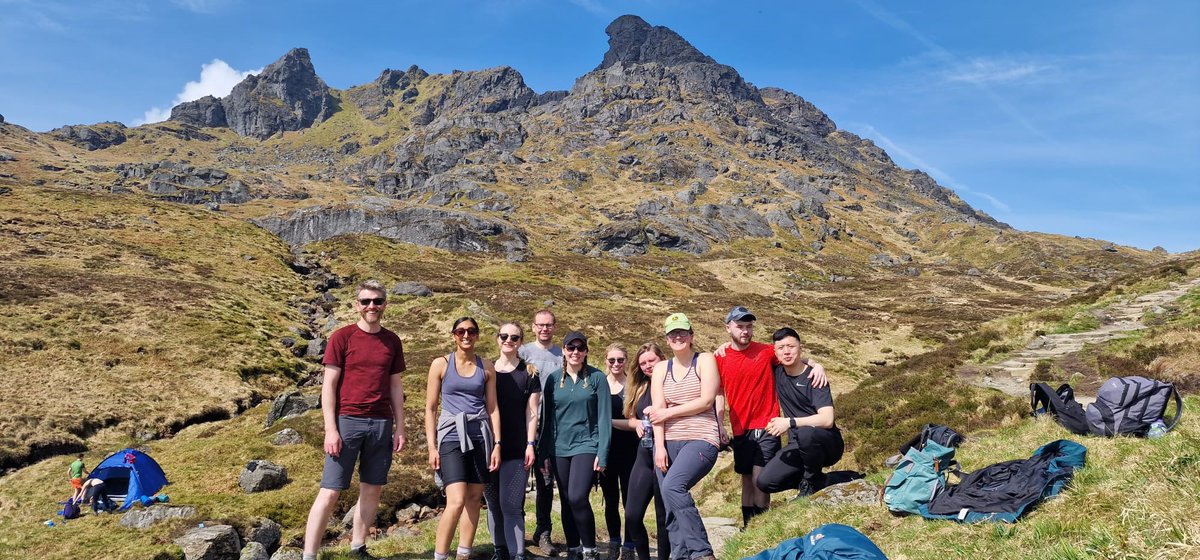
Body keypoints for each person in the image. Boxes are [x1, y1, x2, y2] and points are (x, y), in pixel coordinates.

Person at [302, 280, 407, 560]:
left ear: (385, 304)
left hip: (381, 423)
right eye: (366, 301)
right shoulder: (342, 337)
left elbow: (396, 387)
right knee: (330, 491)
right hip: (347, 421)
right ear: (356, 305)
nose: (371, 306)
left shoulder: (392, 340)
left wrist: (400, 427)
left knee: (372, 488)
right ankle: (309, 555)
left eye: (377, 301)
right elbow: (329, 386)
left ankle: (358, 547)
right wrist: (330, 429)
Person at [715, 305, 826, 527]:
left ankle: (760, 527)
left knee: (759, 480)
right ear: (728, 328)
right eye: (740, 327)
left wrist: (817, 365)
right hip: (740, 429)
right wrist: (719, 424)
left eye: (749, 326)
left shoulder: (766, 352)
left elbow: (792, 357)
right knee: (746, 480)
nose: (745, 331)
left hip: (767, 425)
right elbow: (718, 391)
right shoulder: (720, 357)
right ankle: (748, 528)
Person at [426, 317, 502, 560]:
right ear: (453, 335)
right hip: (450, 436)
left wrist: (497, 444)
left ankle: (464, 555)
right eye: (460, 331)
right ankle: (440, 555)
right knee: (456, 500)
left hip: (480, 436)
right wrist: (432, 446)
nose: (466, 335)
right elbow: (430, 408)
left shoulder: (487, 366)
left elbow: (492, 408)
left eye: (471, 331)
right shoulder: (440, 364)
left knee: (473, 498)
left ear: (478, 335)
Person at [647, 313, 721, 560]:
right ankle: (679, 556)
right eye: (672, 333)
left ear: (691, 336)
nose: (677, 337)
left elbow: (707, 400)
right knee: (670, 504)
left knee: (673, 486)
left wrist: (668, 411)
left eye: (682, 332)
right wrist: (659, 447)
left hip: (701, 437)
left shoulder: (705, 360)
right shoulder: (660, 368)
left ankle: (702, 553)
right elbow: (657, 413)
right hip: (668, 441)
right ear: (667, 339)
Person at [539, 331, 611, 560]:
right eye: (571, 348)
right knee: (567, 499)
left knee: (578, 497)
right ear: (563, 350)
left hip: (587, 445)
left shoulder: (597, 378)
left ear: (586, 352)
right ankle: (573, 549)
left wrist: (603, 452)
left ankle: (590, 549)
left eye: (580, 348)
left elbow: (604, 417)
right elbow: (547, 418)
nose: (575, 352)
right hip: (559, 448)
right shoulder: (552, 379)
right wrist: (544, 453)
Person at [756, 328, 843, 497]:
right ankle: (823, 481)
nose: (786, 352)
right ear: (775, 352)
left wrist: (789, 422)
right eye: (781, 348)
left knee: (805, 433)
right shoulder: (777, 372)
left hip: (827, 443)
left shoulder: (815, 378)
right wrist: (727, 345)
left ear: (800, 348)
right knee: (765, 482)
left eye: (791, 346)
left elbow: (827, 419)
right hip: (797, 444)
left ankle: (811, 483)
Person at [484, 322, 542, 560]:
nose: (509, 340)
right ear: (497, 339)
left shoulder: (529, 372)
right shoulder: (486, 369)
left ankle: (517, 554)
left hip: (517, 446)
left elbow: (532, 413)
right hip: (487, 446)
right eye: (504, 336)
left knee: (511, 505)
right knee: (493, 503)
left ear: (520, 341)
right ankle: (499, 550)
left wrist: (530, 444)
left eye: (514, 337)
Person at [519, 309, 564, 556]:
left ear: (554, 327)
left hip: (552, 429)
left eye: (549, 325)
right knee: (518, 481)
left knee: (546, 482)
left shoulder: (562, 354)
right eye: (540, 325)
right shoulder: (523, 352)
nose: (544, 329)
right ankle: (516, 533)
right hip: (526, 426)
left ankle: (543, 532)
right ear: (533, 327)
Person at [622, 343, 670, 560]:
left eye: (652, 360)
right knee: (632, 516)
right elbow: (631, 414)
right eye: (643, 363)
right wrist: (636, 423)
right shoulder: (640, 386)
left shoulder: (672, 383)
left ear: (662, 358)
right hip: (643, 456)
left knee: (663, 518)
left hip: (666, 455)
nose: (647, 366)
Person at [599, 344, 638, 560]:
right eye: (612, 360)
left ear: (626, 361)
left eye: (620, 360)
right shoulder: (599, 384)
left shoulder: (632, 385)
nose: (616, 364)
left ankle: (629, 545)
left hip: (631, 450)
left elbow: (637, 421)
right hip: (607, 451)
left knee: (630, 501)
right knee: (611, 498)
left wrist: (608, 422)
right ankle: (614, 542)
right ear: (605, 360)